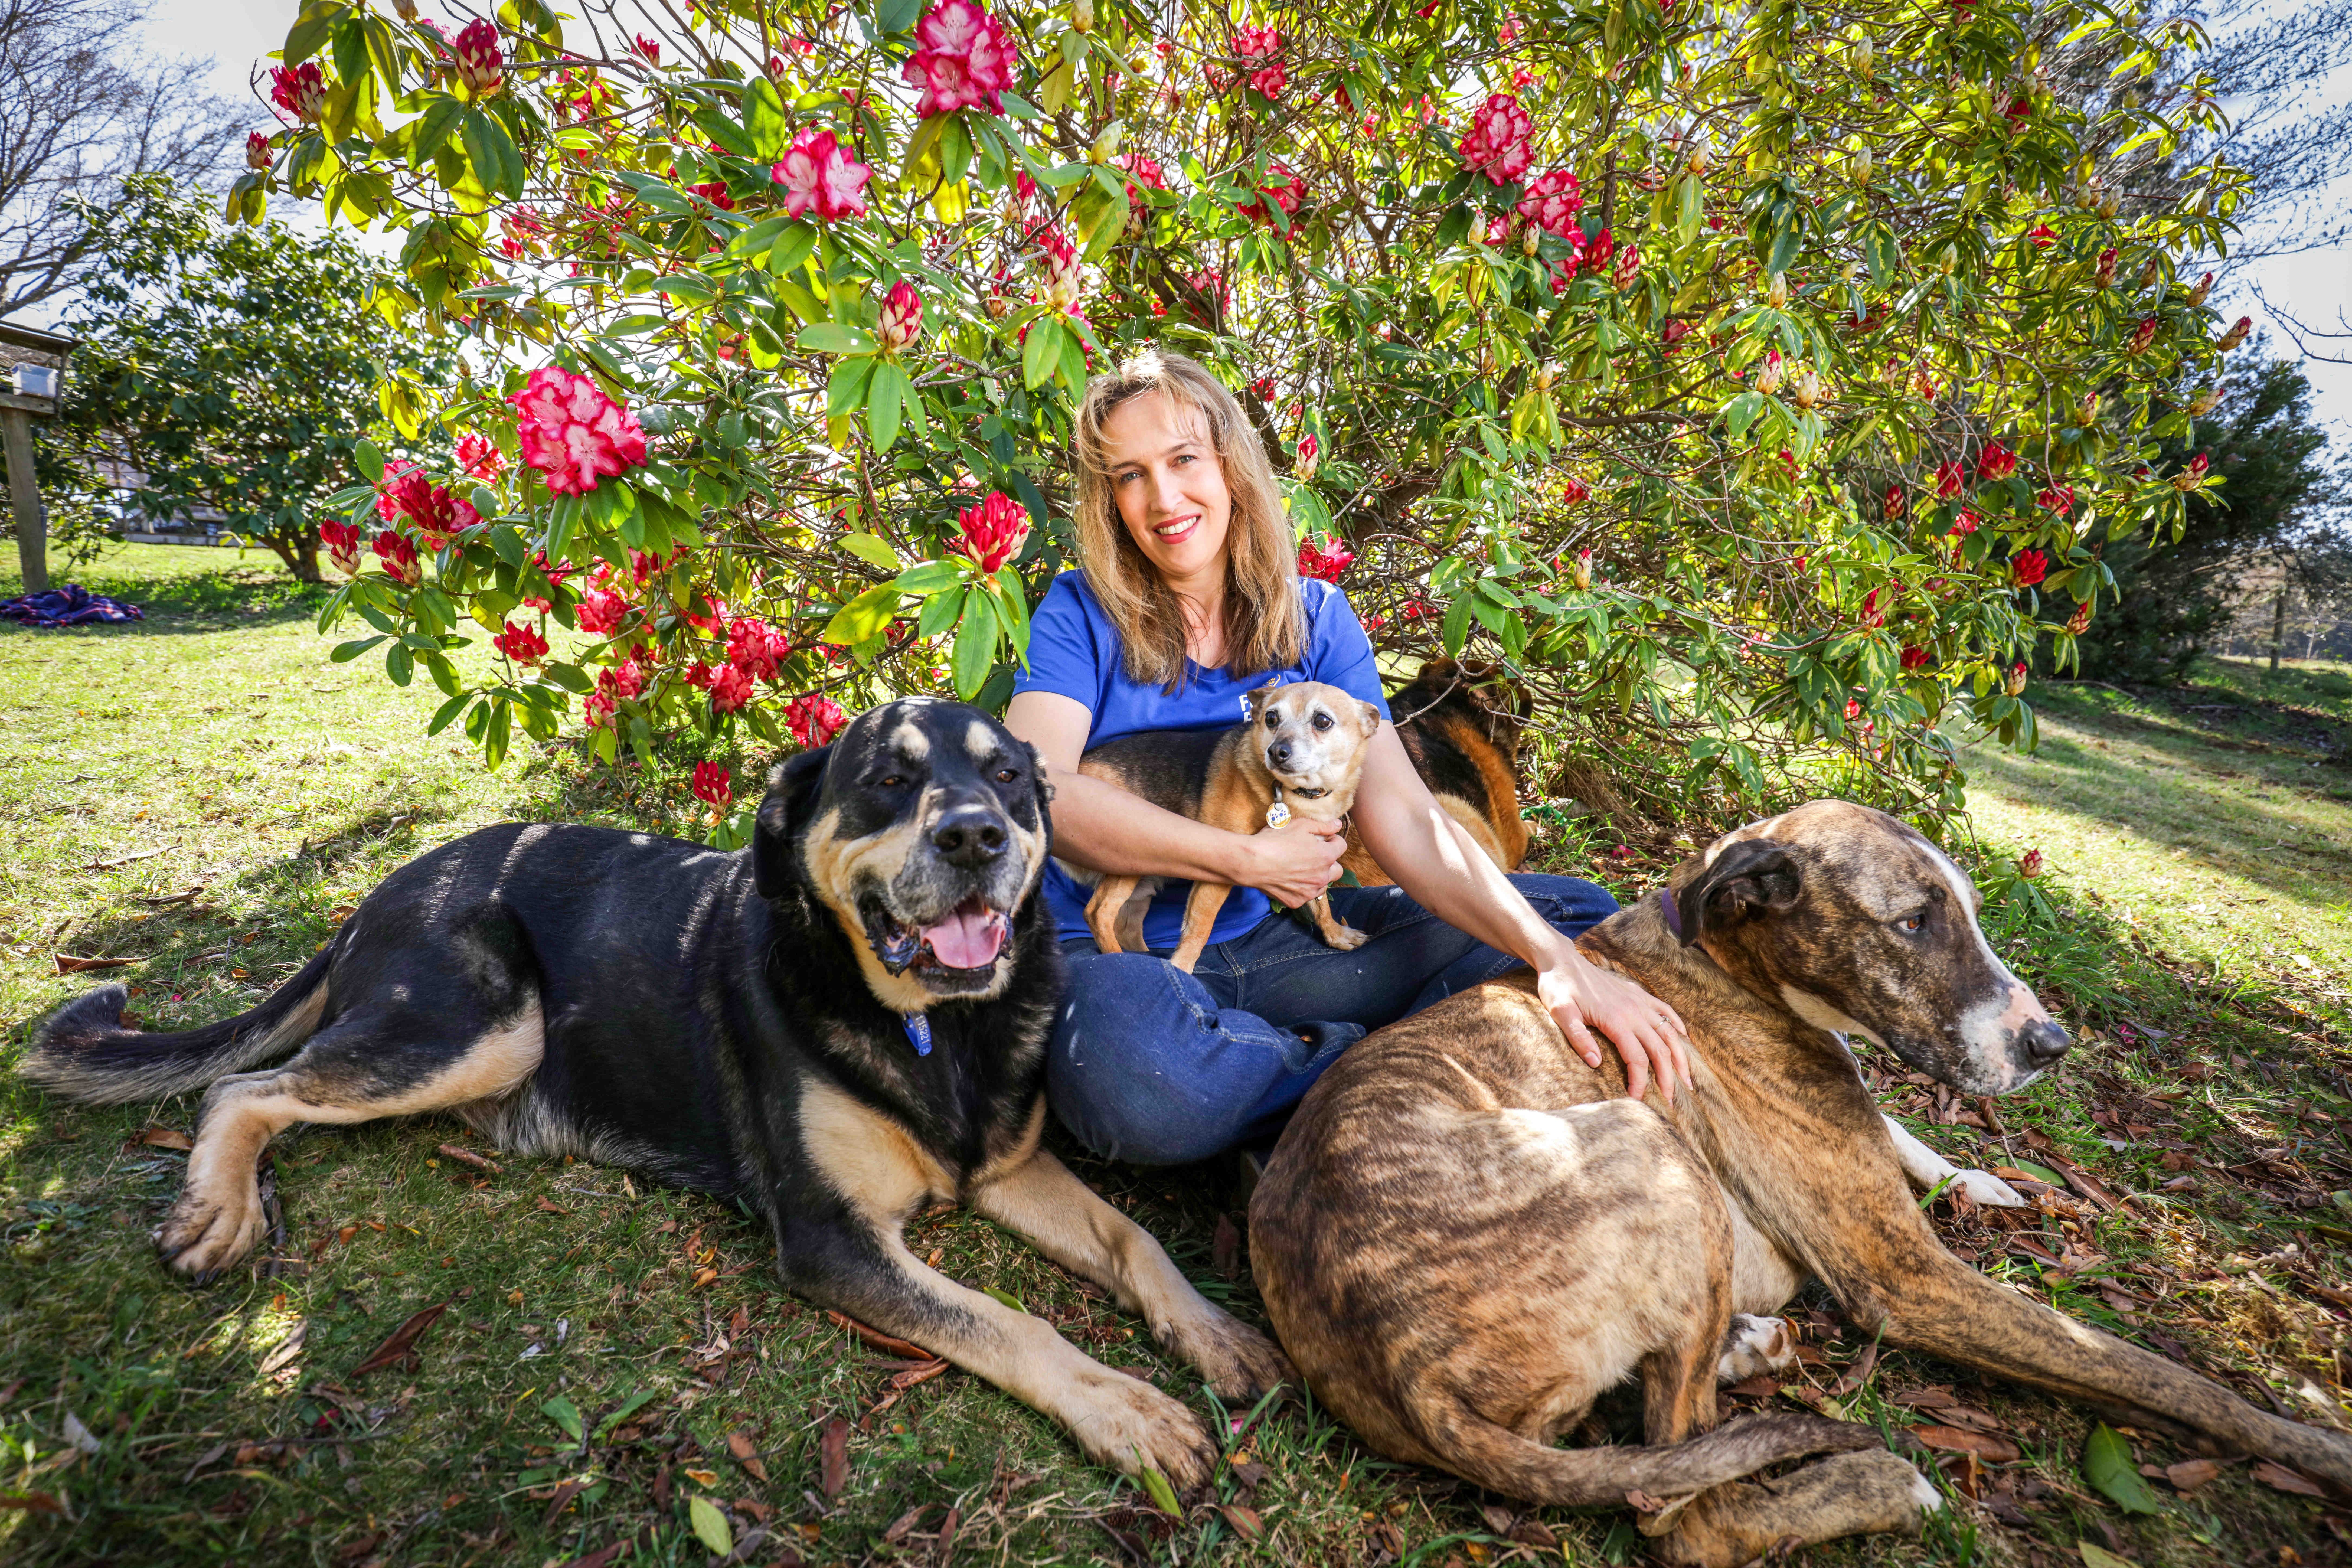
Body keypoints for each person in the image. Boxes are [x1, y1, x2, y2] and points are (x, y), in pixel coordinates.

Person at [1003, 349, 1689, 1167]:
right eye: (1129, 476)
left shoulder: (1318, 618)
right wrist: (1244, 857)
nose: (1163, 498)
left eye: (1184, 459)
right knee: (1138, 1075)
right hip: (1123, 966)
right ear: (1109, 501)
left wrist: (1554, 960)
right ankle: (1377, 1075)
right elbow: (1039, 792)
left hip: (1275, 950)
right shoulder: (1078, 613)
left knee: (1576, 916)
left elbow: (1407, 818)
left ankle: (1276, 1075)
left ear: (1230, 464)